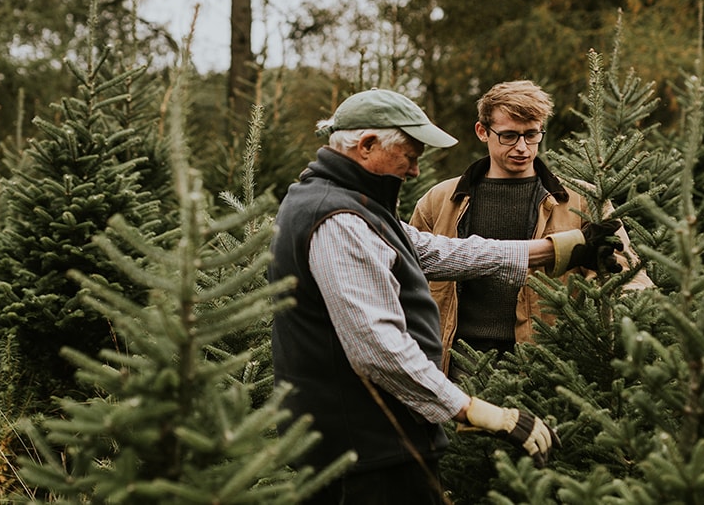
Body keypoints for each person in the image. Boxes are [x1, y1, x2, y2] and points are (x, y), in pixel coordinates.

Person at [270, 88, 620, 505]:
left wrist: (557, 249)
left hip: (370, 440)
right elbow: (378, 348)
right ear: (366, 146)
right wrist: (471, 408)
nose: (417, 169)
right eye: (411, 155)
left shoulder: (346, 203)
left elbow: (438, 250)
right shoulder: (340, 219)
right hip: (364, 448)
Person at [410, 80, 653, 373]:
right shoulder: (440, 200)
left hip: (545, 366)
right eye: (509, 136)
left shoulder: (583, 199)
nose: (522, 148)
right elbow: (410, 284)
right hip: (458, 366)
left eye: (531, 135)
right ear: (482, 132)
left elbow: (628, 277)